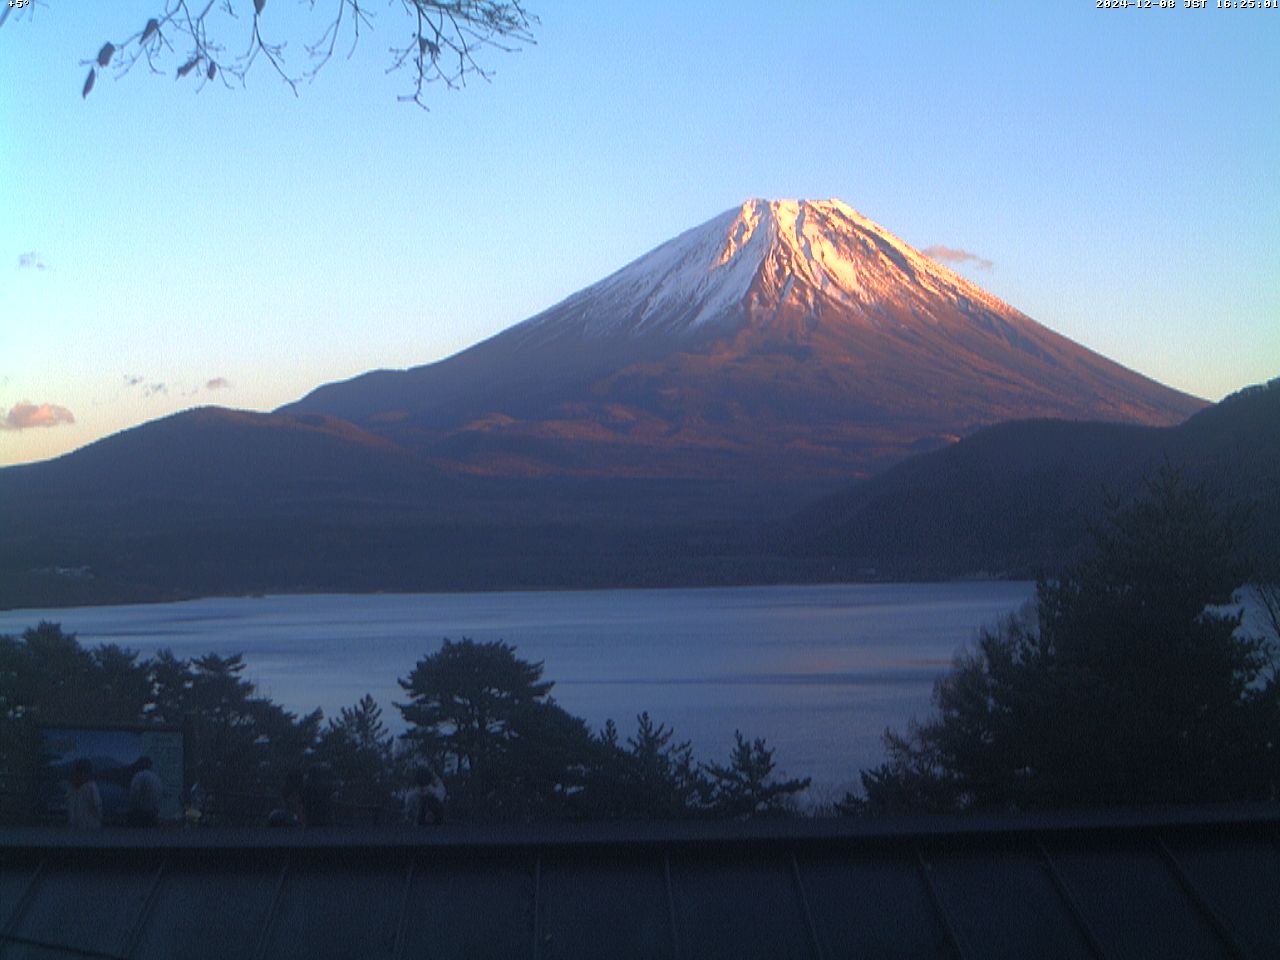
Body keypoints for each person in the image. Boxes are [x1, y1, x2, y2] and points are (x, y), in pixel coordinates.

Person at [127, 756, 164, 827]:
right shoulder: (156, 778)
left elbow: (134, 795)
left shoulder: (139, 777)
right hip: (153, 815)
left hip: (141, 816)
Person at [67, 758, 102, 830]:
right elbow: (98, 807)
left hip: (88, 827)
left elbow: (97, 806)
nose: (80, 775)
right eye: (79, 772)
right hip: (84, 827)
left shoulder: (91, 787)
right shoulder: (91, 787)